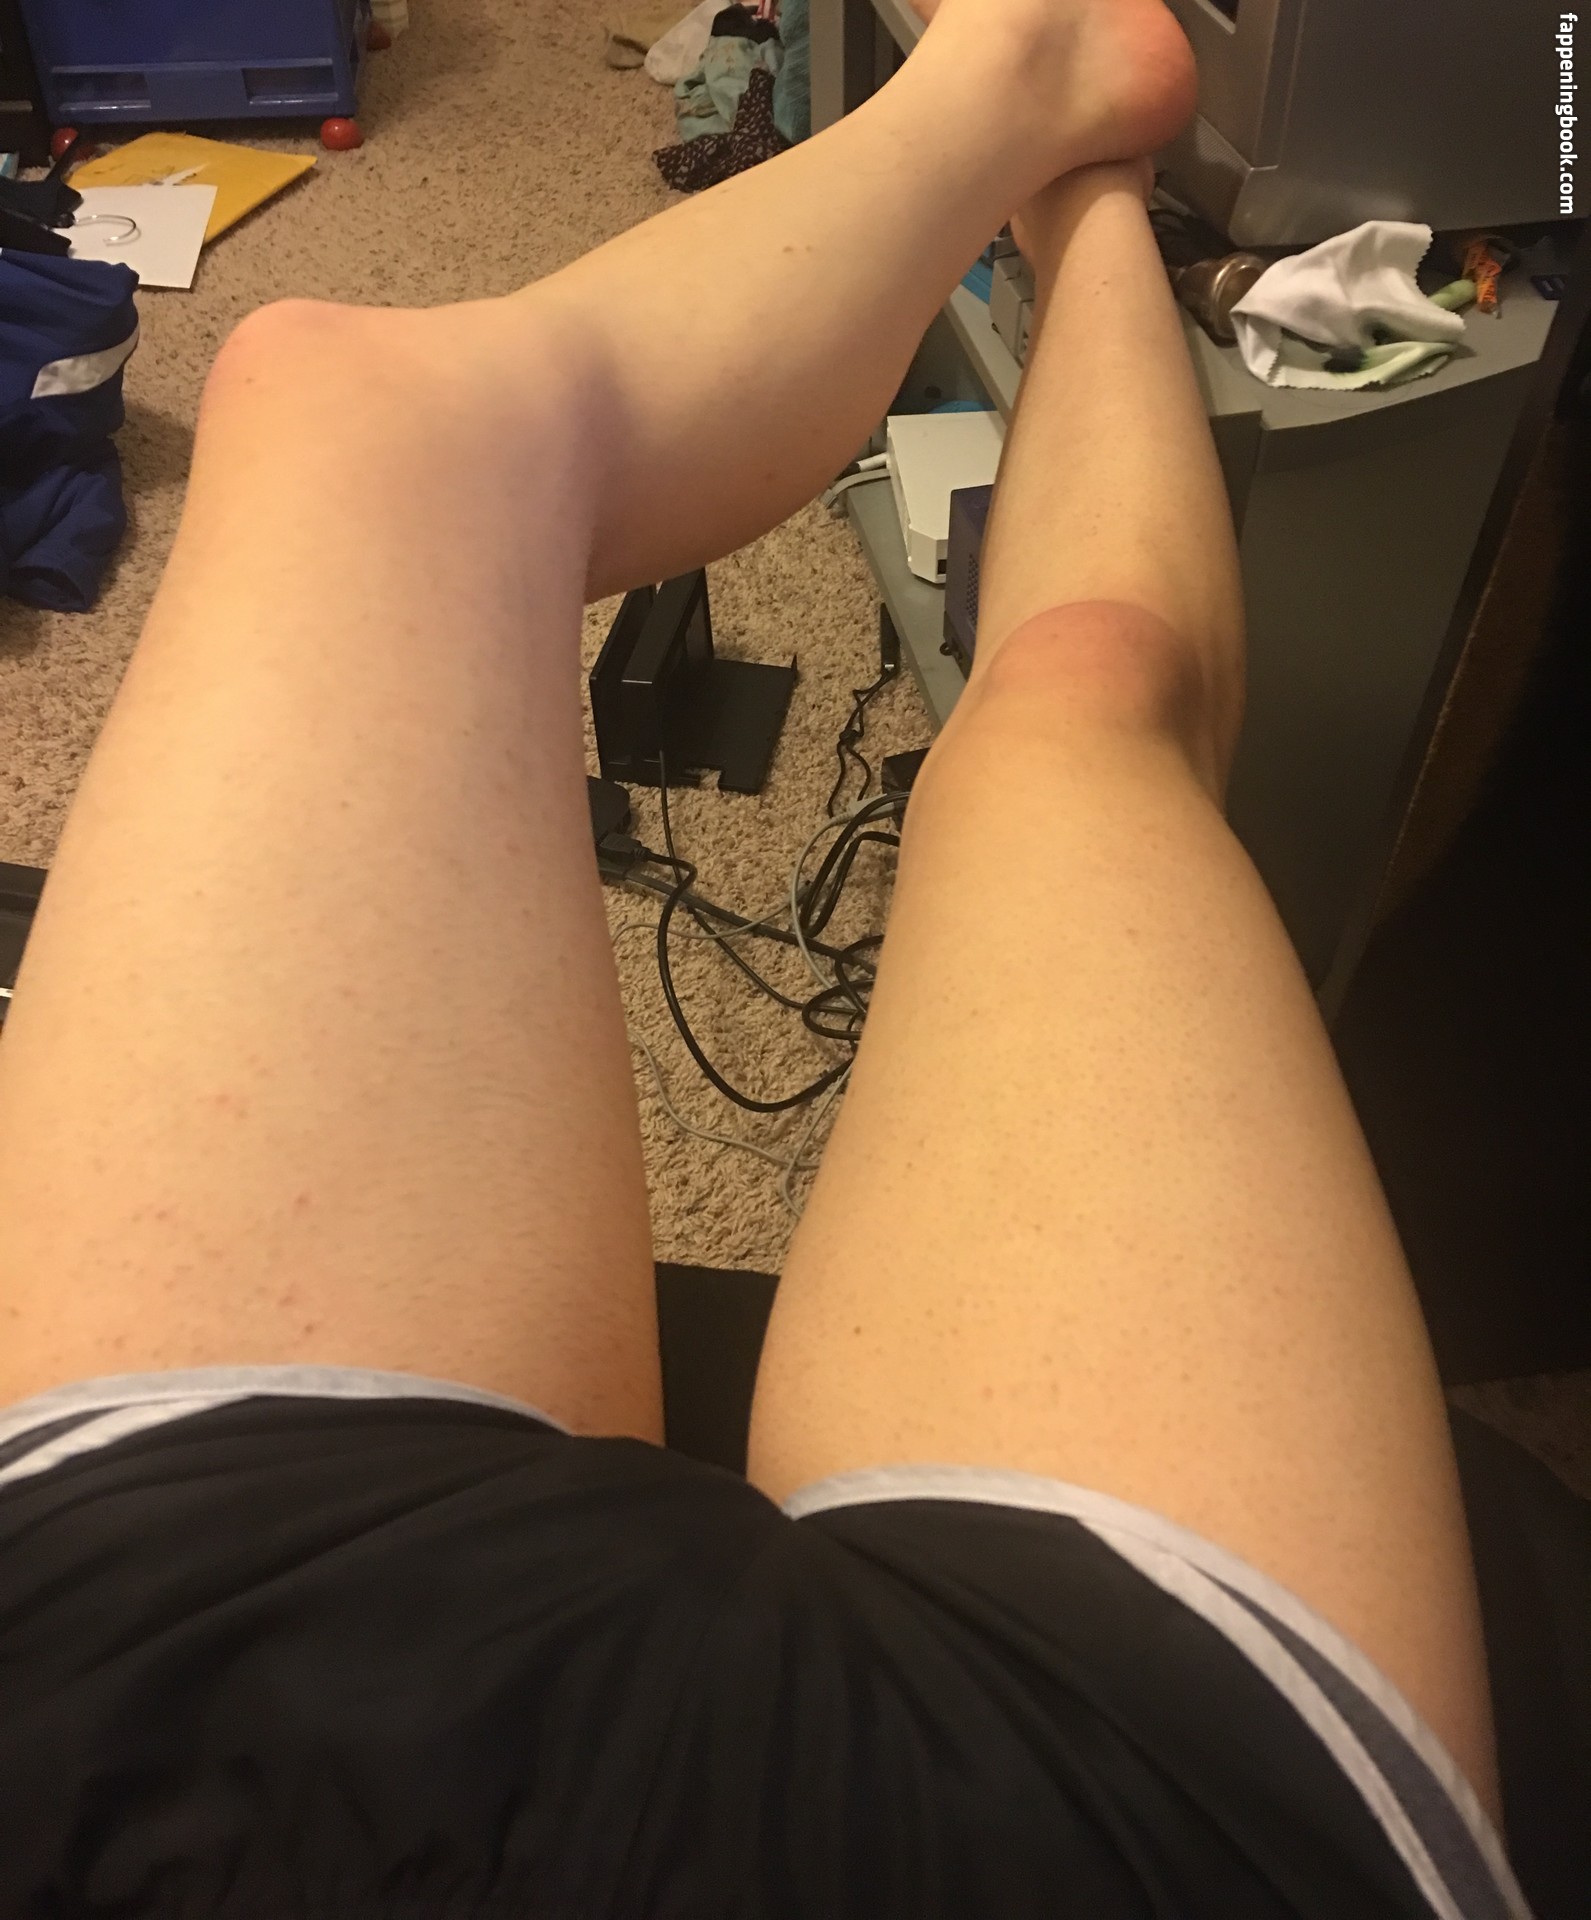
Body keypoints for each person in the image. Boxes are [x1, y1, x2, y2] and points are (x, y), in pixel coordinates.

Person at [0, 0, 1531, 1912]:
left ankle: (1036, 82)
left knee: (338, 404)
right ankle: (1094, 211)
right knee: (1081, 704)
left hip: (143, 1773)